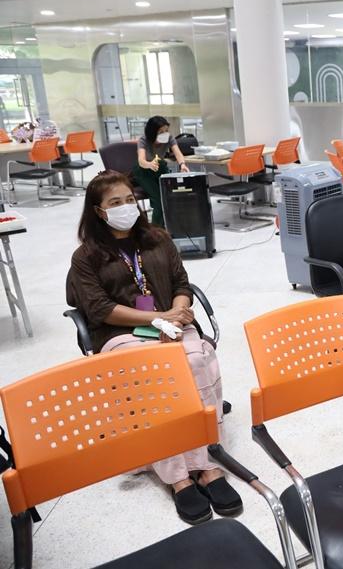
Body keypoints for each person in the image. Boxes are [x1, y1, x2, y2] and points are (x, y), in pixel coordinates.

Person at [66, 170, 241, 526]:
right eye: (115, 202)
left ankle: (207, 464)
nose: (126, 207)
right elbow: (99, 308)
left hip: (171, 323)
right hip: (121, 332)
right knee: (153, 376)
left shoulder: (158, 239)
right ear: (99, 211)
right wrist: (157, 318)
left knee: (197, 359)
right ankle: (178, 476)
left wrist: (178, 311)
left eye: (129, 199)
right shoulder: (86, 256)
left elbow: (181, 284)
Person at [133, 115, 189, 228]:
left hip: (160, 167)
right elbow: (141, 160)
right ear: (152, 132)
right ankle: (156, 232)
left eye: (166, 130)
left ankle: (167, 227)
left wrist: (182, 164)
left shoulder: (169, 138)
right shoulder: (144, 140)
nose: (165, 134)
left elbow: (177, 152)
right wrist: (149, 164)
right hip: (144, 171)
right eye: (161, 132)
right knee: (159, 201)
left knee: (169, 196)